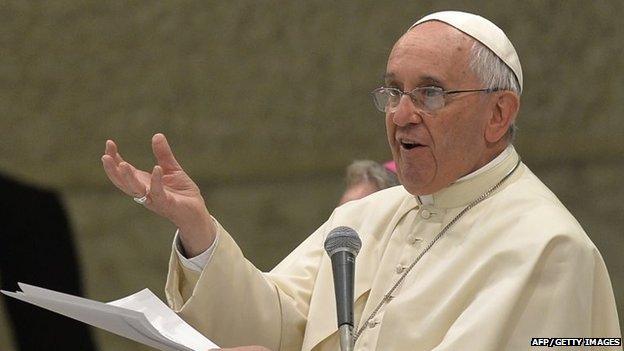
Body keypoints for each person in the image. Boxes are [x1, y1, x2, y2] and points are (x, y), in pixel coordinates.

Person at [101, 10, 621, 351]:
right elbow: (275, 326)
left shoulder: (548, 250)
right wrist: (200, 233)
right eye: (395, 92)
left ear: (498, 114)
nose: (402, 115)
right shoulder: (362, 220)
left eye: (431, 93)